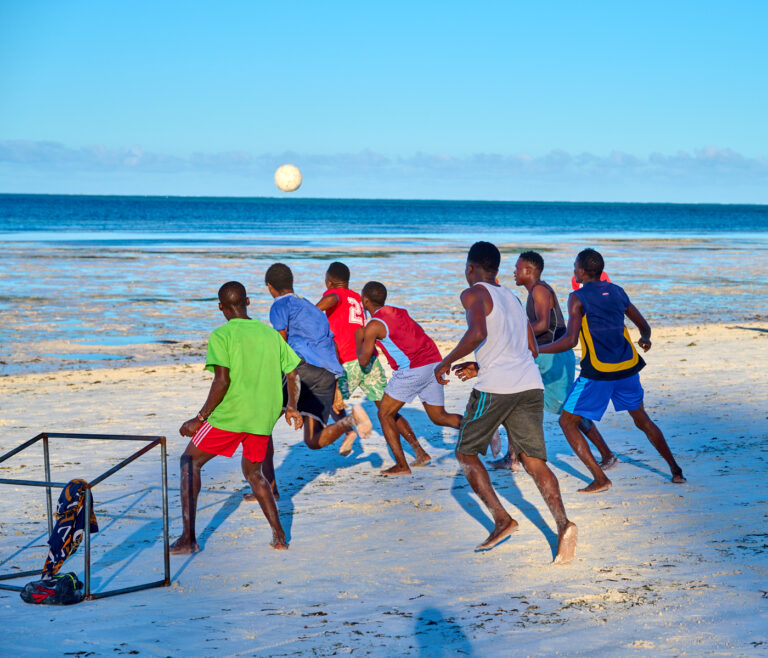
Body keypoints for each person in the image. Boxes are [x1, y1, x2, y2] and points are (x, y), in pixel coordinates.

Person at [434, 241, 577, 563]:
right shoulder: (512, 298)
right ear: (497, 269)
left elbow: (476, 333)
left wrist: (446, 361)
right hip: (530, 385)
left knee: (465, 453)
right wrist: (480, 363)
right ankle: (563, 524)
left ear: (470, 268)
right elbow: (530, 347)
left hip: (496, 389)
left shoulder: (473, 293)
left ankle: (502, 519)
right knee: (533, 461)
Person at [171, 281, 303, 554]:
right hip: (263, 416)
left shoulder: (221, 335)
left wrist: (199, 417)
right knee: (255, 474)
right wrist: (291, 406)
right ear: (248, 302)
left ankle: (188, 538)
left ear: (221, 307)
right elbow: (293, 374)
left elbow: (222, 381)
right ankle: (279, 537)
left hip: (231, 415)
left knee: (188, 462)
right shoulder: (270, 335)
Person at [540, 248, 686, 492]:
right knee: (643, 420)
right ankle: (676, 470)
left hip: (599, 372)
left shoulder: (577, 297)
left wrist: (537, 349)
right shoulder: (617, 291)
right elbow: (644, 326)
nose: (574, 270)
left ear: (581, 272)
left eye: (575, 266)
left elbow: (571, 341)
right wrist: (645, 339)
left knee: (567, 422)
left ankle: (600, 479)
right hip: (628, 367)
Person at [511, 250, 617, 470]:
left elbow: (541, 324)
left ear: (529, 271)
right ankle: (512, 457)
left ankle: (607, 454)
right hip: (544, 355)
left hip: (553, 357)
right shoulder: (535, 291)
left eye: (517, 268)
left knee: (569, 412)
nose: (514, 272)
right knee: (517, 399)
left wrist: (514, 335)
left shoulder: (539, 290)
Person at [316, 262, 430, 465]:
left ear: (329, 282)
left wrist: (309, 312)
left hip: (348, 362)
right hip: (370, 359)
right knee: (388, 411)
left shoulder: (334, 295)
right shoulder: (357, 299)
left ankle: (349, 431)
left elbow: (331, 299)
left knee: (329, 402)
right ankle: (419, 452)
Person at [264, 263, 368, 461]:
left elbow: (281, 339)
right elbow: (331, 344)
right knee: (313, 440)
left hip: (303, 369)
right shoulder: (311, 307)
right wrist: (336, 380)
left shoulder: (279, 305)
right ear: (292, 282)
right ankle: (350, 420)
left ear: (270, 287)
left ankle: (270, 490)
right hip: (327, 374)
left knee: (262, 424)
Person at [357, 281, 460, 475]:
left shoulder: (373, 326)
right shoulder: (399, 311)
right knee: (439, 417)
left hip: (413, 369)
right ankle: (484, 429)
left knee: (384, 413)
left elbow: (363, 360)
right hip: (434, 362)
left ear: (365, 300)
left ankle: (402, 466)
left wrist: (358, 338)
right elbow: (417, 332)